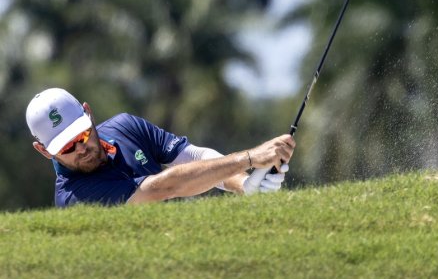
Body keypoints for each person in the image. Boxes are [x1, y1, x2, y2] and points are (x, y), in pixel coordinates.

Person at [25, 87, 295, 207]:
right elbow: (163, 188)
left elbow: (194, 158)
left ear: (89, 114)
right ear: (44, 151)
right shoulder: (73, 197)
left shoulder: (125, 126)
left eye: (81, 136)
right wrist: (249, 158)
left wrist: (245, 185)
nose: (80, 149)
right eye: (67, 147)